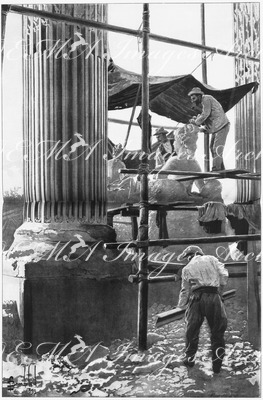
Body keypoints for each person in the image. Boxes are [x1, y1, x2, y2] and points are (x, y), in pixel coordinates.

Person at [177, 245, 229, 373]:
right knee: (217, 332)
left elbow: (185, 291)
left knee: (191, 331)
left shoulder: (186, 268)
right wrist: (220, 293)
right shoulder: (212, 259)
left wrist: (180, 306)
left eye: (188, 257)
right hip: (213, 297)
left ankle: (189, 360)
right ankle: (217, 367)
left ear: (192, 255)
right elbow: (224, 275)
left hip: (196, 299)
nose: (188, 260)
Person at [188, 87, 230, 171]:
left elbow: (205, 114)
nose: (193, 100)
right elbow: (206, 119)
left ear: (199, 96)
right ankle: (220, 167)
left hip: (222, 125)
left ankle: (217, 168)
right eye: (191, 99)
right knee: (212, 147)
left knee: (216, 148)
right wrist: (197, 122)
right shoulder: (204, 103)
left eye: (194, 98)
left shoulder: (206, 99)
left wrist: (196, 122)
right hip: (217, 127)